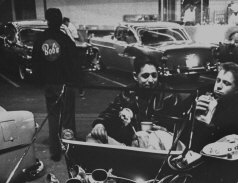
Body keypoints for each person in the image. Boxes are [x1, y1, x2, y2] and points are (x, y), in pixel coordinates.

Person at [89, 55, 183, 149]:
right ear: (135, 76)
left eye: (154, 75)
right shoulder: (128, 93)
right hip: (130, 144)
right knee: (92, 138)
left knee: (143, 138)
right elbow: (111, 111)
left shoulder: (169, 95)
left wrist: (164, 130)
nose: (151, 80)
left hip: (157, 145)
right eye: (145, 76)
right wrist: (100, 124)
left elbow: (180, 125)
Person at [32, 8, 80, 161]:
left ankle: (55, 150)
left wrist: (41, 80)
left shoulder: (40, 39)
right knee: (67, 118)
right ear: (60, 21)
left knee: (53, 117)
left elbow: (35, 62)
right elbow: (73, 63)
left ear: (47, 20)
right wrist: (77, 84)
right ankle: (70, 150)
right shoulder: (65, 39)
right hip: (65, 84)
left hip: (49, 84)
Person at [191, 62, 238, 152]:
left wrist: (210, 123)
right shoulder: (202, 93)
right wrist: (193, 113)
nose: (219, 86)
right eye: (218, 80)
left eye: (226, 83)